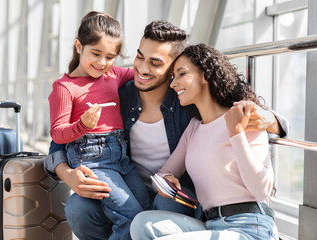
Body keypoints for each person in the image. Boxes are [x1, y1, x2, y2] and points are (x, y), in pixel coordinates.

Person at [44, 20, 289, 239]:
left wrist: (273, 120)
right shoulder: (117, 94)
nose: (141, 68)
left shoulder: (186, 102)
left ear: (175, 68)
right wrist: (65, 173)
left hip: (176, 199)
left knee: (165, 202)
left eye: (155, 62)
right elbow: (61, 137)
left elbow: (228, 105)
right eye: (140, 57)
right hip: (124, 186)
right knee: (78, 207)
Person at [130, 44, 280, 240]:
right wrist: (166, 183)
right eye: (173, 77)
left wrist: (236, 133)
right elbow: (164, 173)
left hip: (251, 227)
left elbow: (261, 190)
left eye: (182, 74)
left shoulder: (244, 116)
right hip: (210, 224)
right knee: (142, 224)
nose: (174, 84)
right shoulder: (194, 127)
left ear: (206, 75)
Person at [48, 11, 150, 240]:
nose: (102, 63)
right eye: (96, 53)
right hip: (92, 160)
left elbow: (145, 74)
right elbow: (57, 134)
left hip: (122, 159)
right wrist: (82, 125)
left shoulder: (113, 75)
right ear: (78, 45)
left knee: (144, 207)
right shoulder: (64, 88)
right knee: (130, 217)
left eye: (110, 57)